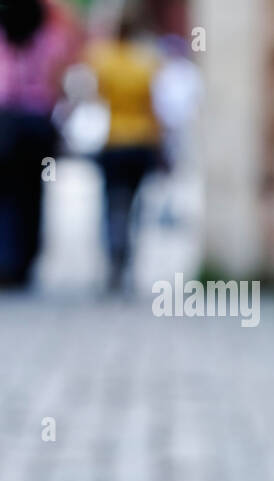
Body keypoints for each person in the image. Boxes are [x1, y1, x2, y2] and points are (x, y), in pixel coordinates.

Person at [0, 0, 81, 288]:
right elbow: (59, 87)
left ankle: (6, 260)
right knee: (33, 194)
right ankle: (24, 260)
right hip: (36, 125)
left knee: (5, 194)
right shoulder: (50, 40)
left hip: (5, 124)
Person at [87, 12, 162, 291]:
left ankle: (114, 253)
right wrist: (160, 141)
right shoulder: (146, 63)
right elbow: (153, 106)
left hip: (113, 139)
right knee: (135, 203)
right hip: (141, 139)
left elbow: (95, 97)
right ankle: (128, 253)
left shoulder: (102, 61)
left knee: (112, 202)